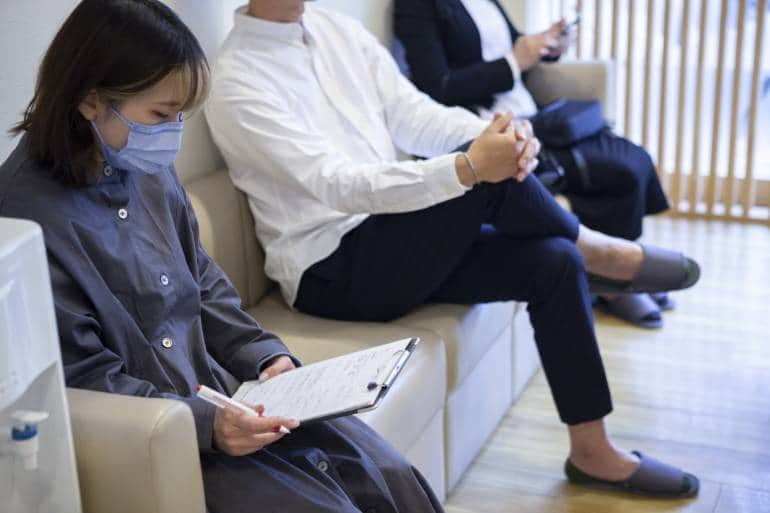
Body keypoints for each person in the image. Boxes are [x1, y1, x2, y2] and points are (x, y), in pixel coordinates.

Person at [205, 0, 701, 499]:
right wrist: (469, 167)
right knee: (487, 182)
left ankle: (591, 450)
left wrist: (494, 132)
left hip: (394, 238)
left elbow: (414, 114)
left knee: (555, 260)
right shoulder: (236, 80)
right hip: (332, 270)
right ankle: (603, 253)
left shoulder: (337, 30)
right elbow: (337, 184)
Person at [0, 1, 446, 512]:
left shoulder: (140, 162)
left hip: (229, 396)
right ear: (90, 100)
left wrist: (266, 356)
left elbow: (203, 282)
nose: (173, 132)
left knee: (389, 475)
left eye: (181, 115)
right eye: (161, 115)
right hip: (165, 436)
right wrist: (208, 425)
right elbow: (84, 377)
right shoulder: (24, 218)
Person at [393, 0, 674, 329]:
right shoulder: (417, 6)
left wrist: (548, 45)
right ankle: (615, 282)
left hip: (537, 115)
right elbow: (437, 87)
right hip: (494, 126)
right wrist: (514, 61)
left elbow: (514, 44)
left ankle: (623, 270)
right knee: (619, 170)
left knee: (635, 158)